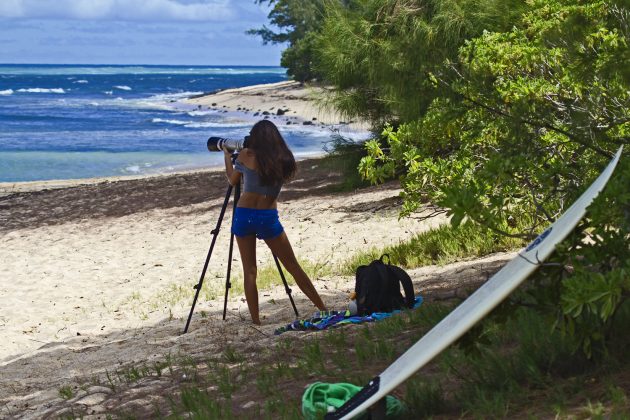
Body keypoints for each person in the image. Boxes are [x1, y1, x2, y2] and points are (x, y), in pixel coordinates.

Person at [223, 120, 327, 324]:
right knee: (293, 265)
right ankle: (322, 308)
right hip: (267, 216)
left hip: (244, 214)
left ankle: (256, 321)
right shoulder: (284, 159)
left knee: (250, 270)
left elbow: (232, 180)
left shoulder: (245, 155)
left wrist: (228, 157)